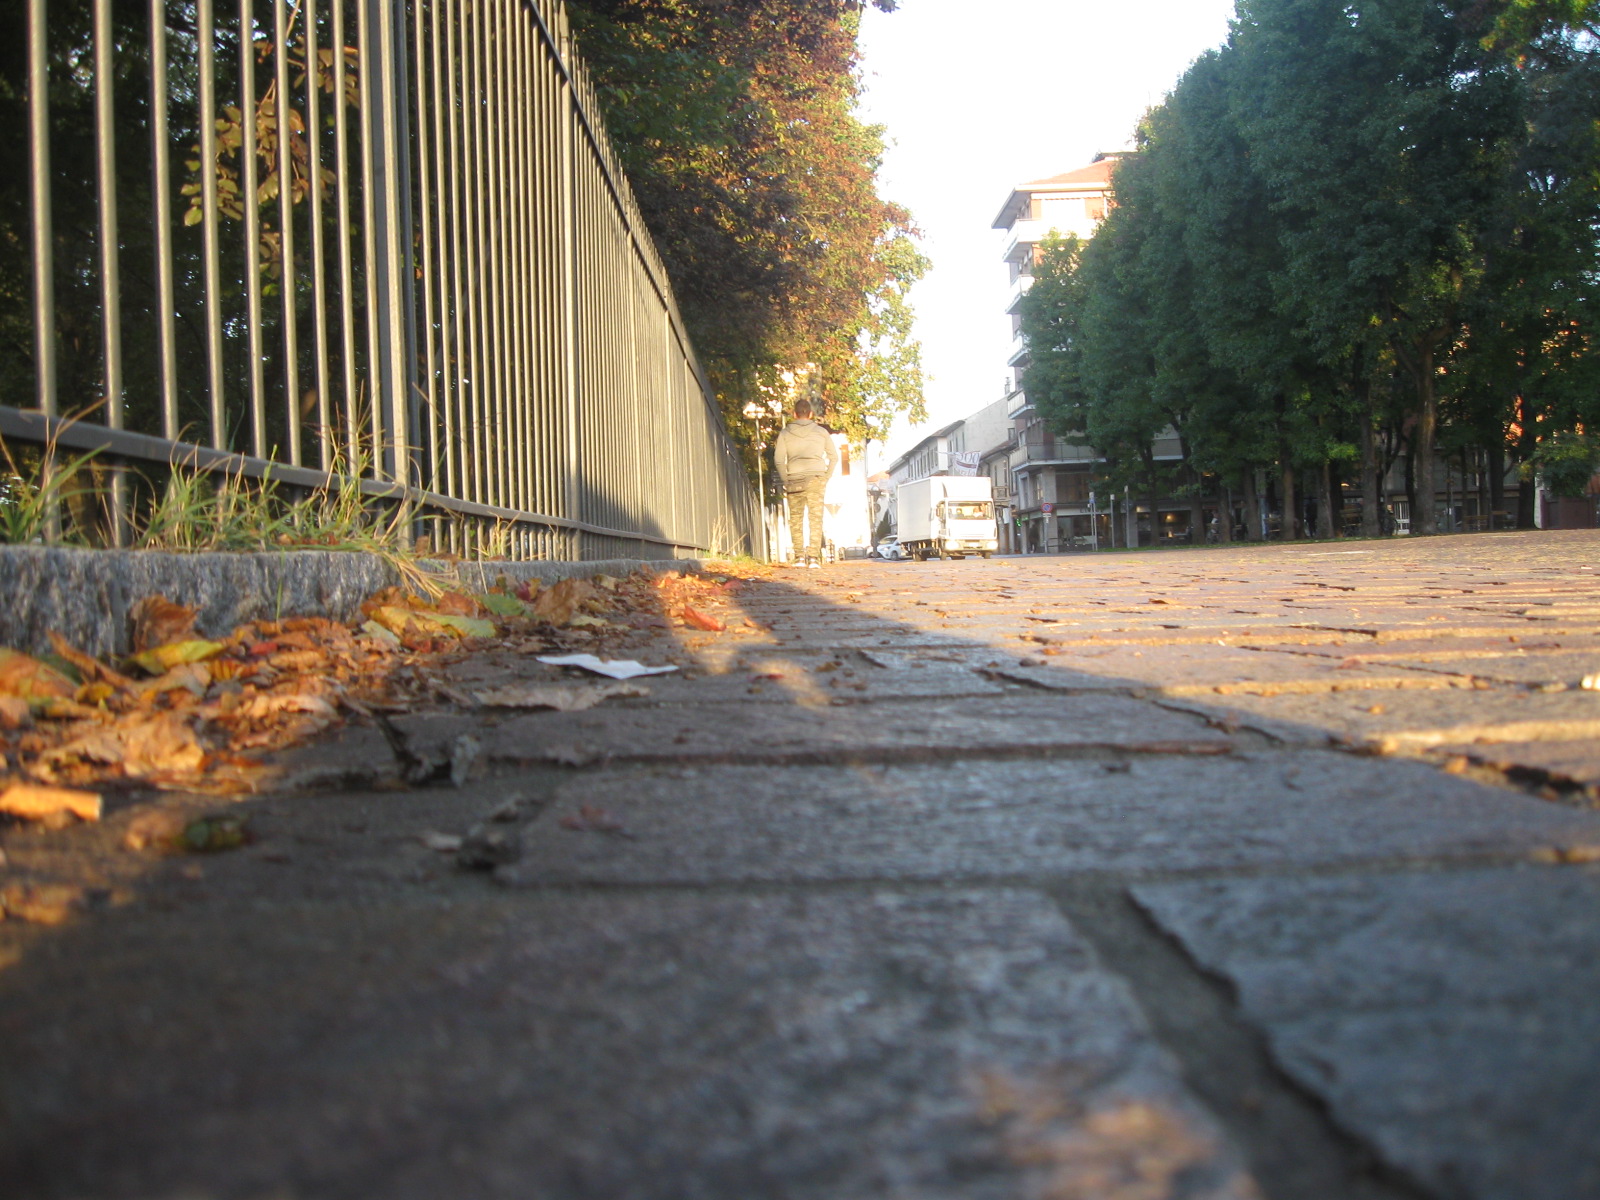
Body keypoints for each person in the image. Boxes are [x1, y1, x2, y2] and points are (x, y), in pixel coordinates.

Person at [773, 399, 837, 567]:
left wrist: (785, 479)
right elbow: (834, 457)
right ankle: (814, 558)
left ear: (794, 414)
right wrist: (826, 477)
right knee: (815, 518)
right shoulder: (821, 432)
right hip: (816, 478)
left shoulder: (785, 433)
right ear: (810, 414)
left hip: (794, 478)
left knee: (795, 518)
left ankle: (799, 557)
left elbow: (779, 460)